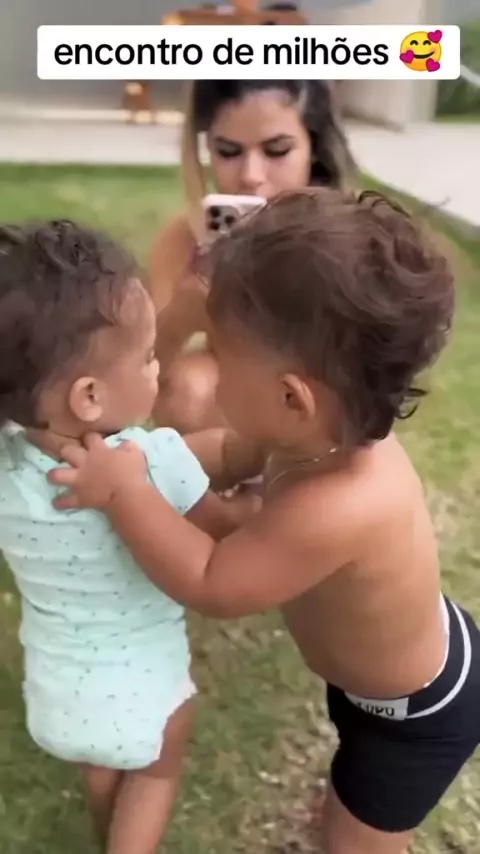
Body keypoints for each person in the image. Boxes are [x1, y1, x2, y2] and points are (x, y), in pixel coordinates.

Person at [50, 188, 480, 854]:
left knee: (352, 842)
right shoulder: (312, 435)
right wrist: (145, 457)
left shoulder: (340, 503)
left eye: (222, 357)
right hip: (369, 683)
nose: (212, 373)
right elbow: (226, 451)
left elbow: (212, 581)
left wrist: (126, 493)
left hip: (413, 715)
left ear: (290, 397)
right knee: (348, 787)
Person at [0, 219, 256, 854]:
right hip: (148, 696)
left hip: (57, 700)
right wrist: (252, 504)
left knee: (105, 773)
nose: (157, 364)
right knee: (153, 774)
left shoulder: (7, 469)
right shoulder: (153, 460)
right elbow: (221, 530)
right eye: (147, 356)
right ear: (89, 396)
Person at [149, 79, 355, 433]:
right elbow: (129, 380)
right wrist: (180, 318)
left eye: (277, 151)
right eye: (228, 152)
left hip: (323, 415)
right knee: (188, 386)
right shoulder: (188, 237)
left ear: (315, 146)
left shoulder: (353, 238)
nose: (251, 176)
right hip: (229, 416)